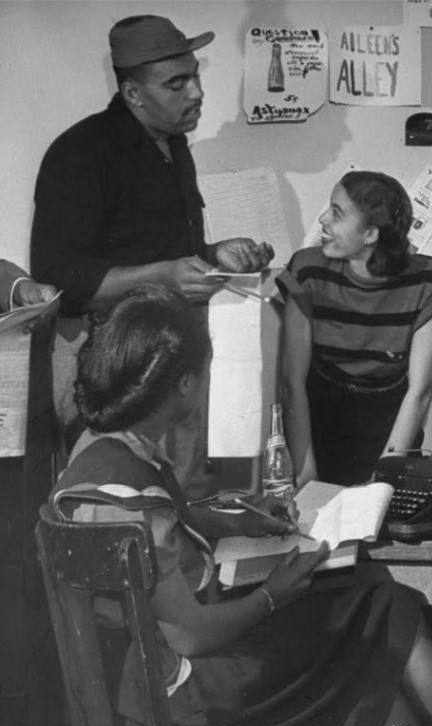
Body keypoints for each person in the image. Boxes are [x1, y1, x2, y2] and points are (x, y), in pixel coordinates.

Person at [48, 284, 432, 726]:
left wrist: (232, 522)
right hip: (188, 704)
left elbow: (161, 527)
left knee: (380, 648)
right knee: (381, 605)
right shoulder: (134, 486)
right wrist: (276, 591)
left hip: (136, 695)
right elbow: (192, 635)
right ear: (184, 384)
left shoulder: (99, 455)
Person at [30, 15, 274, 475]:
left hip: (166, 361)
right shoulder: (78, 153)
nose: (196, 92)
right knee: (115, 502)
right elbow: (57, 280)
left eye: (195, 77)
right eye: (177, 83)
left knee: (170, 505)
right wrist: (164, 277)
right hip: (108, 368)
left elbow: (157, 249)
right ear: (133, 94)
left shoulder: (172, 146)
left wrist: (213, 254)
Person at [277, 171, 432, 487]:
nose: (323, 219)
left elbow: (420, 391)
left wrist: (383, 481)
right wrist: (306, 475)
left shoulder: (427, 281)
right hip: (318, 426)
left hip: (391, 429)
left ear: (370, 234)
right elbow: (293, 381)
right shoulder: (307, 271)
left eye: (337, 213)